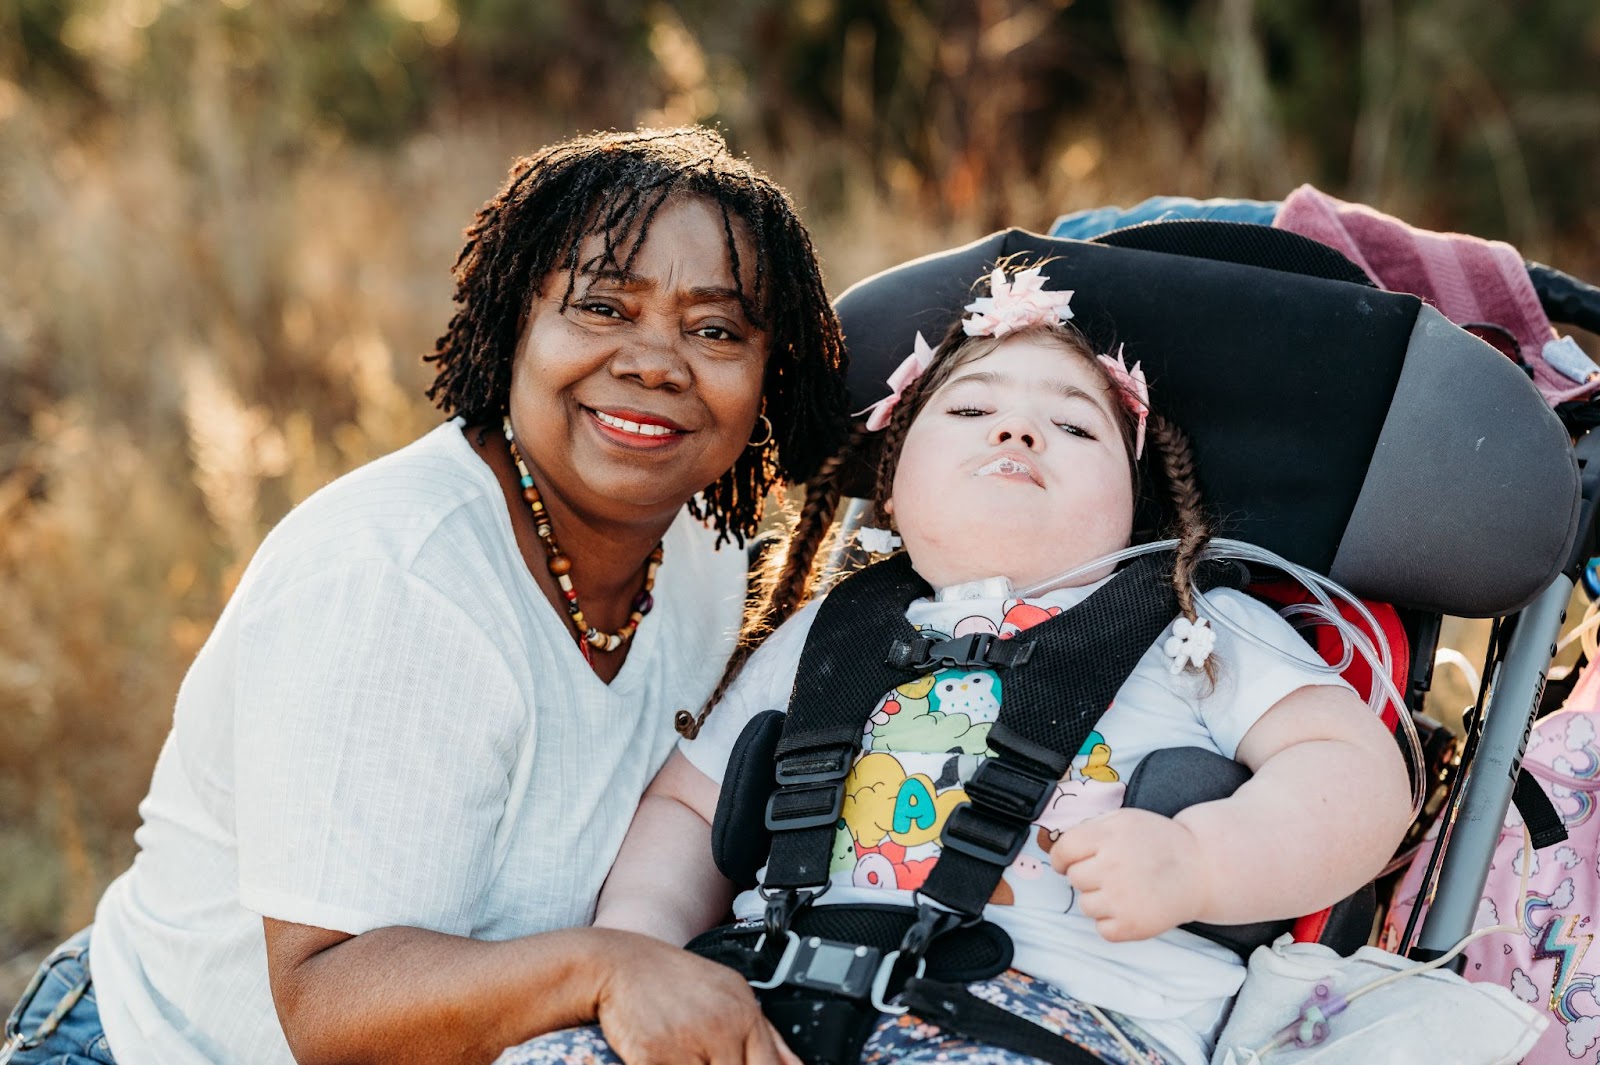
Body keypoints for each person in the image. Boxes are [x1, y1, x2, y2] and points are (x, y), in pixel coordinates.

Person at [1, 126, 848, 1065]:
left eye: (716, 329)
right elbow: (328, 1006)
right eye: (603, 307)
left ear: (772, 374)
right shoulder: (394, 578)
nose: (656, 362)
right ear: (514, 321)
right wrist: (607, 969)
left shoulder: (704, 544)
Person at [498, 265, 1414, 1065]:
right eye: (973, 410)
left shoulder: (1196, 623)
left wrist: (1204, 860)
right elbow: (691, 804)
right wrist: (641, 946)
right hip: (765, 994)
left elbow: (1356, 773)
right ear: (893, 482)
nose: (1016, 433)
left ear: (1138, 502)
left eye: (1074, 426)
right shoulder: (831, 629)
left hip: (1061, 1013)